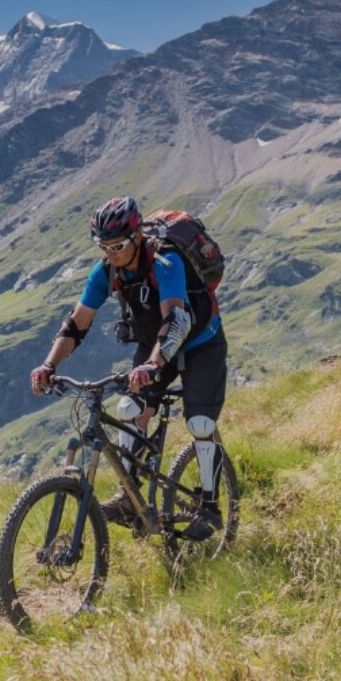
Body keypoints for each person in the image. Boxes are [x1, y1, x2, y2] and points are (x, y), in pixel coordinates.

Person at [30, 196, 227, 541]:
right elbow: (77, 324)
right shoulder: (107, 270)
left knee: (200, 422)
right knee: (129, 407)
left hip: (200, 343)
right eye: (102, 247)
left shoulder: (166, 262)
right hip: (153, 345)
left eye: (117, 245)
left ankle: (209, 507)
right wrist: (49, 364)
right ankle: (130, 497)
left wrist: (152, 365)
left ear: (137, 237)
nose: (110, 253)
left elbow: (177, 321)